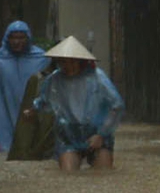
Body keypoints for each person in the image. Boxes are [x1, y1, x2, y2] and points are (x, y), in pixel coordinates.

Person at [32, 37, 124, 170]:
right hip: (68, 135)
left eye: (73, 61)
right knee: (68, 175)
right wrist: (33, 110)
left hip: (96, 134)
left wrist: (101, 134)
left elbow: (117, 105)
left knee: (104, 174)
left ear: (81, 61)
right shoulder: (54, 79)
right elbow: (44, 101)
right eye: (63, 62)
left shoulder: (97, 78)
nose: (68, 66)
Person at [0, 20, 49, 154]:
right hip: (2, 117)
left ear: (28, 38)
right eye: (13, 37)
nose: (16, 41)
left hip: (32, 115)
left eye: (21, 37)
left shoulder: (42, 59)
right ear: (7, 38)